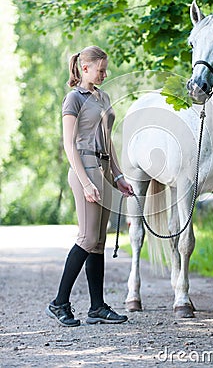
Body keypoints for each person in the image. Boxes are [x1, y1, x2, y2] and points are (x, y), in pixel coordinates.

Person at [45, 45, 133, 327]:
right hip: (86, 167)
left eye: (106, 69)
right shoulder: (74, 99)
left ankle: (97, 307)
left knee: (98, 243)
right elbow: (69, 145)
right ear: (85, 68)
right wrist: (85, 182)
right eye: (100, 69)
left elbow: (108, 140)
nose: (105, 74)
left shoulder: (103, 96)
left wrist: (118, 176)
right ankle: (59, 303)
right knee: (86, 238)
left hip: (105, 169)